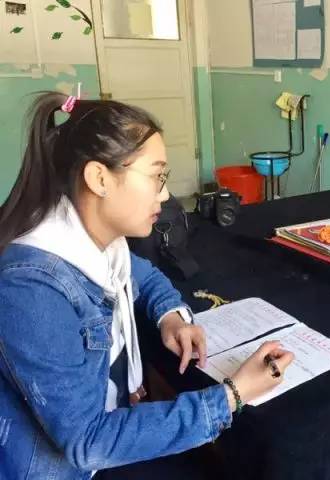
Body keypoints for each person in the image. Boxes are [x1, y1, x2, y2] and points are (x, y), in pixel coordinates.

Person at [0, 91, 294, 479]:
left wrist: (170, 315)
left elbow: (147, 276)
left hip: (114, 425)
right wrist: (231, 396)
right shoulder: (31, 288)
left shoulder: (98, 241)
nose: (166, 194)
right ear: (99, 178)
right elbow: (87, 442)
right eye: (156, 176)